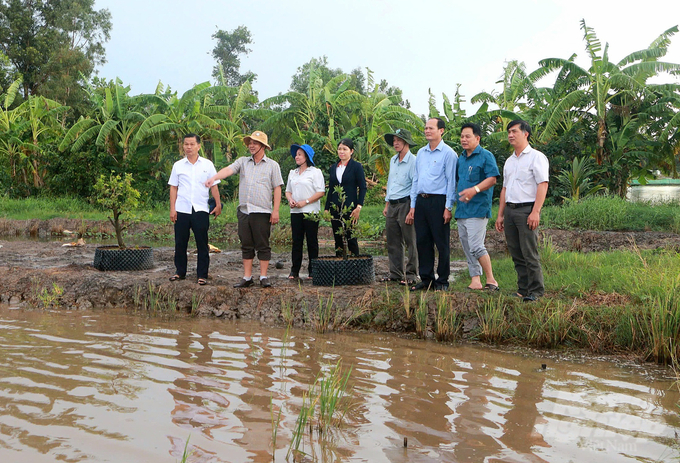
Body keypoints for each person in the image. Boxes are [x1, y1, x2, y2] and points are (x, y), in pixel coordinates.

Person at [205, 130, 283, 288]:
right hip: (244, 211)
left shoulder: (272, 165)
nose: (251, 146)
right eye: (250, 143)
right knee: (246, 244)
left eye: (255, 143)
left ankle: (263, 276)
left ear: (263, 146)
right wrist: (214, 177)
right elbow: (229, 169)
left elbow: (277, 188)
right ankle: (247, 277)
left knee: (262, 244)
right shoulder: (242, 162)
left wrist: (275, 211)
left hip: (262, 211)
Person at [494, 120, 549, 302]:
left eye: (514, 131)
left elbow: (543, 184)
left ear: (525, 134)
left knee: (529, 252)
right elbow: (504, 189)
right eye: (509, 132)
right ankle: (523, 289)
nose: (510, 135)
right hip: (510, 210)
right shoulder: (509, 161)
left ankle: (536, 291)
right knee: (516, 252)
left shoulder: (536, 157)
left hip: (527, 210)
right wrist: (500, 215)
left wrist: (536, 212)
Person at [406, 117, 457, 291]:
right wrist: (413, 205)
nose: (427, 131)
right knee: (422, 241)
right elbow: (416, 179)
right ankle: (426, 279)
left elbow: (451, 182)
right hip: (421, 200)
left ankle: (442, 280)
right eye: (426, 128)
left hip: (439, 201)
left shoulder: (449, 153)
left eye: (431, 128)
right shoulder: (420, 153)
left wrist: (448, 207)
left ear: (441, 130)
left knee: (441, 242)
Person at [168, 133, 222, 285]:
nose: (189, 147)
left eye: (192, 144)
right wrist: (173, 209)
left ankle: (202, 275)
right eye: (186, 144)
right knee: (180, 243)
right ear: (183, 146)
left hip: (200, 209)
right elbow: (173, 188)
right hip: (182, 209)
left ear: (199, 146)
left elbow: (214, 186)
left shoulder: (207, 165)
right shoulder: (178, 165)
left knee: (202, 242)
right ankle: (180, 272)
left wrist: (218, 204)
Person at [455, 123, 500, 291]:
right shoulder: (460, 158)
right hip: (462, 210)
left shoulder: (486, 156)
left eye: (468, 136)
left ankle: (491, 280)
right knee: (467, 246)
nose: (464, 139)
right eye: (462, 136)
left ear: (477, 138)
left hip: (478, 209)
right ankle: (475, 280)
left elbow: (493, 179)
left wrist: (475, 190)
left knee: (476, 245)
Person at [382, 128, 418, 286]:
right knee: (393, 240)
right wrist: (387, 202)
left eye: (399, 140)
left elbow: (415, 185)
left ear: (406, 142)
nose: (396, 143)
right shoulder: (393, 160)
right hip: (393, 204)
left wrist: (413, 208)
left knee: (411, 240)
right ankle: (395, 273)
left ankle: (411, 274)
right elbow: (391, 183)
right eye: (394, 140)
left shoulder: (414, 161)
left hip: (406, 203)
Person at [285, 143, 325, 280]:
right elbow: (288, 191)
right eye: (296, 154)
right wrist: (290, 200)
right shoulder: (292, 173)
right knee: (297, 241)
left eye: (300, 154)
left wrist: (305, 201)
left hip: (311, 211)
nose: (297, 157)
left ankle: (313, 271)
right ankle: (294, 270)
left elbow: (321, 192)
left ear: (306, 157)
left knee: (311, 241)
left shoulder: (315, 172)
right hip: (295, 212)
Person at [324, 138, 366, 257]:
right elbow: (331, 189)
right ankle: (339, 267)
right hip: (335, 208)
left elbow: (363, 187)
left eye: (345, 149)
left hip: (350, 208)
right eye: (339, 149)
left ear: (351, 151)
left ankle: (354, 266)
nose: (341, 152)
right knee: (338, 238)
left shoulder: (356, 167)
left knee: (351, 237)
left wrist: (359, 207)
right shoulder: (334, 167)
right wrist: (327, 208)